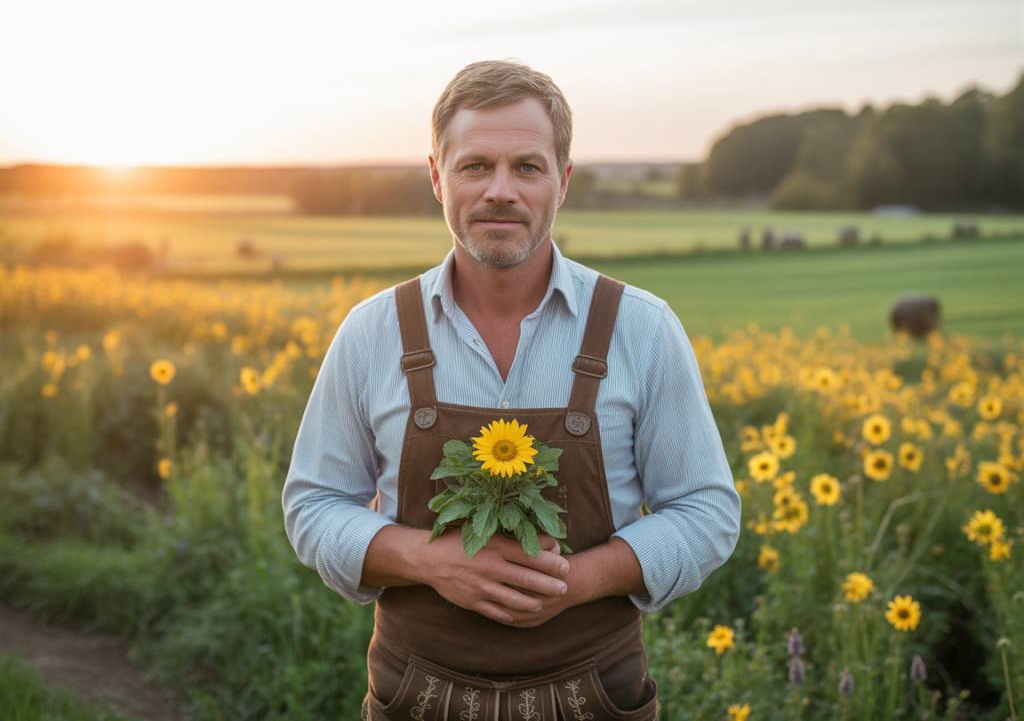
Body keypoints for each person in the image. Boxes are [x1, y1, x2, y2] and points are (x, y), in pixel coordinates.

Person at [282, 60, 741, 720]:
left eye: (527, 167)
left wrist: (577, 580)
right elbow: (314, 504)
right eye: (475, 166)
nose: (501, 191)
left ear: (564, 180)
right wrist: (432, 560)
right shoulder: (372, 333)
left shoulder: (641, 328)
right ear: (437, 176)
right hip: (418, 696)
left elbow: (706, 511)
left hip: (594, 697)